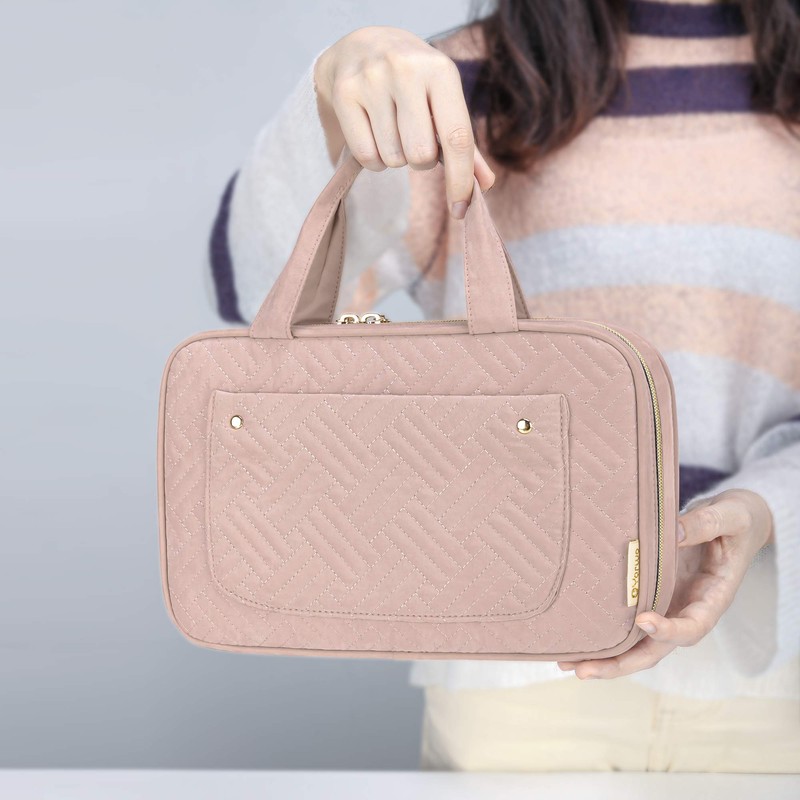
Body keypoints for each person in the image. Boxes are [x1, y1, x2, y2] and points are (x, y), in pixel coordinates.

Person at [208, 0, 800, 773]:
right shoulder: (464, 79)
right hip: (517, 681)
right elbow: (259, 298)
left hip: (777, 674)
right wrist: (329, 98)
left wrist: (765, 508)